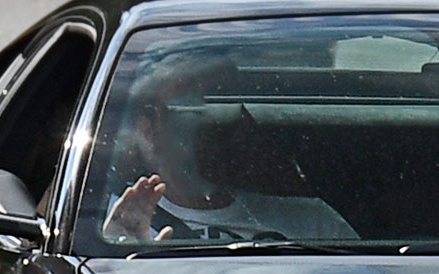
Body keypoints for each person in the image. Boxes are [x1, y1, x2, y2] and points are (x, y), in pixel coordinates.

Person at [97, 56, 356, 245]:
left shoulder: (314, 221)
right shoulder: (111, 221)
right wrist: (125, 262)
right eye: (193, 105)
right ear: (148, 129)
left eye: (227, 100)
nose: (219, 119)